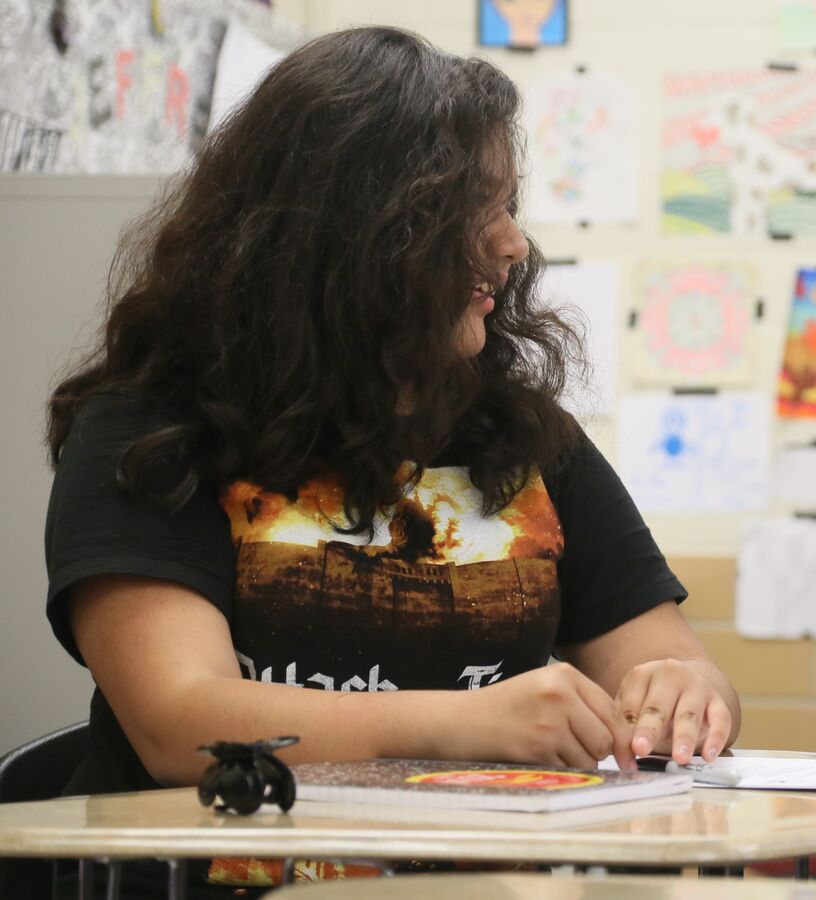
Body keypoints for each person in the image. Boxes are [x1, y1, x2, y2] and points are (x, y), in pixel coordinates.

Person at [44, 24, 738, 819]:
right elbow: (180, 724)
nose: (515, 244)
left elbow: (675, 662)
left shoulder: (521, 438)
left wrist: (687, 694)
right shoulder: (152, 431)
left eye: (509, 207)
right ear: (358, 234)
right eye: (475, 211)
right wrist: (465, 725)